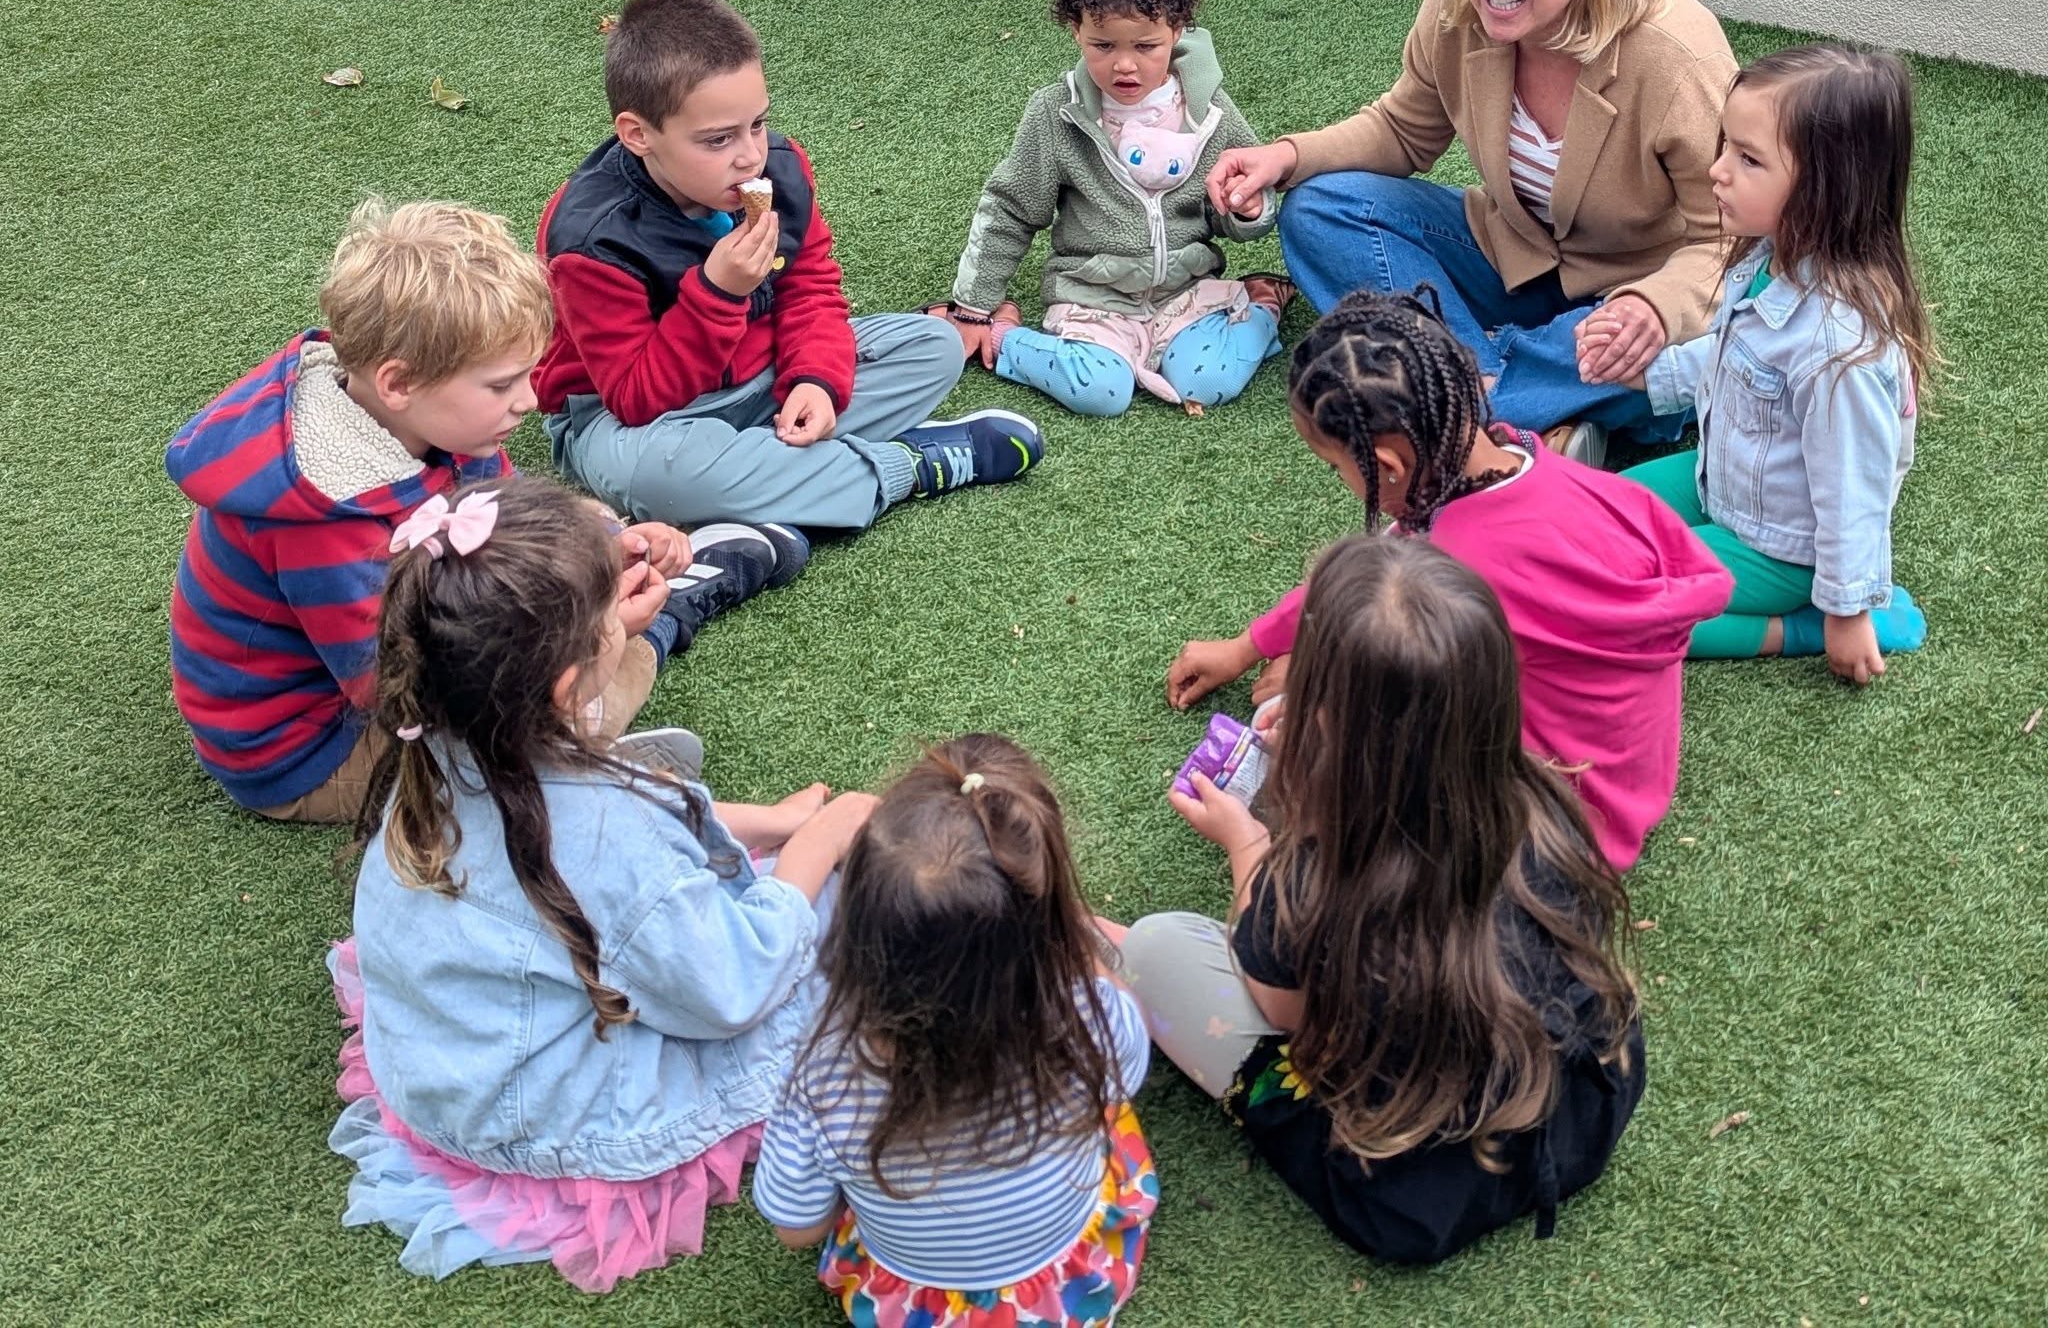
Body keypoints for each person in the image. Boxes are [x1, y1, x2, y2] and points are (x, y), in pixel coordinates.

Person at [329, 476, 879, 1292]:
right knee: (839, 936)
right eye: (604, 621)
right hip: (549, 1109)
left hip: (448, 1058)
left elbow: (597, 793)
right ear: (564, 681)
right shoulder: (605, 836)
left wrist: (761, 822)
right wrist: (820, 841)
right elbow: (731, 982)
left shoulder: (446, 733)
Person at [166, 200, 791, 824]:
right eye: (502, 385)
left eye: (527, 375)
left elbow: (506, 524)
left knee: (580, 657)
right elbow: (402, 691)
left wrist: (604, 542)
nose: (529, 399)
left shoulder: (435, 419)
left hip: (405, 658)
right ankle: (657, 639)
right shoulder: (325, 520)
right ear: (398, 383)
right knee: (564, 698)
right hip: (313, 752)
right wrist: (596, 632)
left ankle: (611, 685)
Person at [1123, 533, 1644, 1262]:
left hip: (1420, 1183)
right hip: (1586, 1104)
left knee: (1156, 949)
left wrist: (1247, 845)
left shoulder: (1313, 882)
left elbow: (1278, 1004)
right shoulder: (1543, 801)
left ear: (1329, 724)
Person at [1207, 0, 1737, 464]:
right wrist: (1287, 156)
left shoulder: (1677, 54)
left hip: (1631, 288)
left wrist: (1654, 308)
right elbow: (1403, 131)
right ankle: (1518, 398)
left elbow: (1730, 242)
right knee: (1319, 210)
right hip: (1512, 255)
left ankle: (1456, 392)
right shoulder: (1457, 9)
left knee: (1693, 349)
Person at [1167, 289, 1730, 869]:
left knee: (1307, 734)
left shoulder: (1455, 568)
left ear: (1387, 466)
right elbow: (1384, 565)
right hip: (1623, 782)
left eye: (1336, 467)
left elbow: (1393, 688)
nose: (1341, 480)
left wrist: (1325, 701)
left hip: (1543, 831)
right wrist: (1249, 645)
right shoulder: (1526, 461)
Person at [537, 0, 1045, 530]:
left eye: (757, 124)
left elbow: (811, 289)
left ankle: (773, 470)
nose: (750, 156)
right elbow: (636, 398)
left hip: (763, 377)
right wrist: (717, 294)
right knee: (663, 481)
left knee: (934, 346)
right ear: (639, 135)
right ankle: (903, 466)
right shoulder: (593, 242)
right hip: (634, 421)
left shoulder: (779, 170)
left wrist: (816, 381)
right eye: (717, 140)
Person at [753, 737, 1157, 1326]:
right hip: (1069, 1284)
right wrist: (1070, 931)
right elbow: (1127, 1067)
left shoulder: (826, 1076)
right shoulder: (1086, 1021)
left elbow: (797, 1229)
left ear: (857, 935)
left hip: (925, 1306)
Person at [1595, 44, 1933, 681]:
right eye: (1726, 144)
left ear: (1827, 188)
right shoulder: (1770, 259)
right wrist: (1650, 374)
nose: (1717, 170)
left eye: (1748, 159)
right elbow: (1733, 357)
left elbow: (1853, 488)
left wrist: (1847, 611)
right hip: (1720, 487)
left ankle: (1802, 626)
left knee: (1617, 607)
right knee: (1591, 515)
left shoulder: (1839, 348)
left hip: (1781, 551)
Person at [926, 0, 1293, 417]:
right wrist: (974, 308)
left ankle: (1262, 302)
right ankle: (1008, 337)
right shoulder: (1056, 114)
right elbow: (1010, 210)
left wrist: (1247, 210)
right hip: (1092, 301)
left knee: (1208, 381)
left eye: (1146, 45)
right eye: (1103, 45)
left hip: (1186, 295)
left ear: (1177, 29)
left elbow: (1242, 203)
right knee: (1102, 392)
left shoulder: (1210, 111)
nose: (1124, 64)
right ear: (1075, 30)